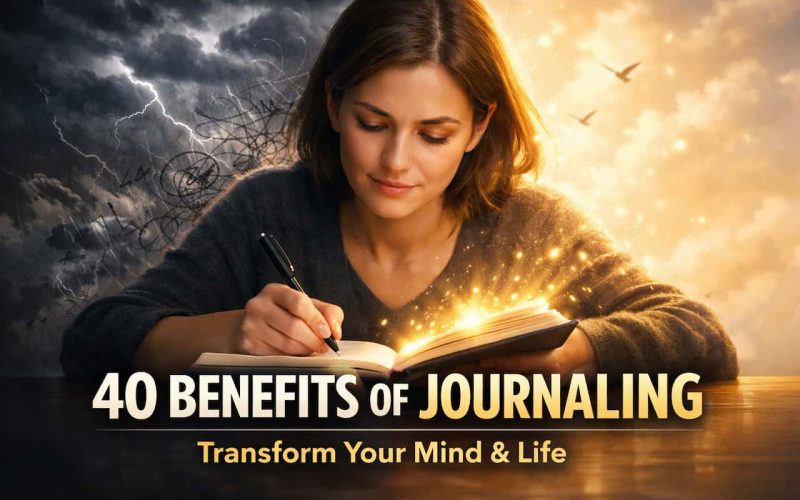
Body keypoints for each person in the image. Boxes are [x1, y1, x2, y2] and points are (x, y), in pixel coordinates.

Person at [61, 0, 738, 381]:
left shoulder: (533, 224)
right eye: (372, 123)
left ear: (479, 127)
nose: (395, 161)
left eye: (434, 134)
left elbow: (701, 339)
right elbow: (91, 341)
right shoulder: (267, 210)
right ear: (333, 104)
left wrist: (577, 352)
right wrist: (233, 333)